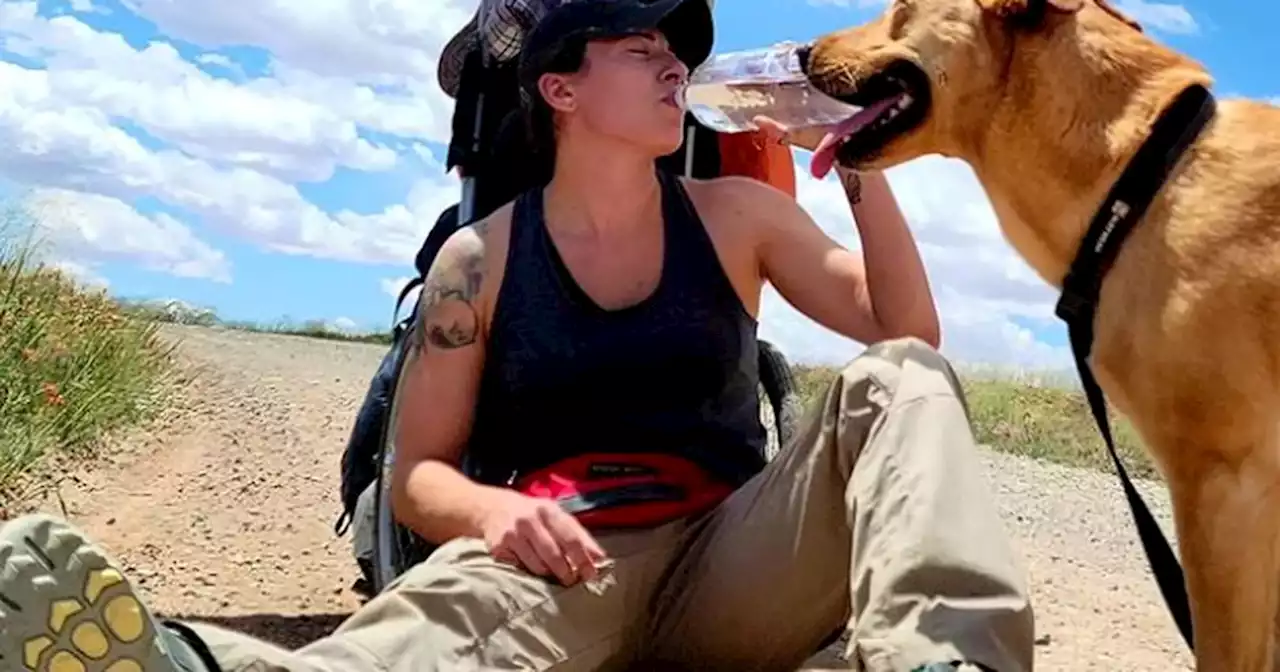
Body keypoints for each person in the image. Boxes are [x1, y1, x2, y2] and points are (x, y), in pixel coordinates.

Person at [0, 0, 1036, 670]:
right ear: (561, 89)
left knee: (895, 378)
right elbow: (418, 479)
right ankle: (189, 663)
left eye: (676, 49)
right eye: (640, 48)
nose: (674, 62)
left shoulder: (736, 218)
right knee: (449, 614)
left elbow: (909, 333)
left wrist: (857, 161)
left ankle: (948, 659)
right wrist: (495, 515)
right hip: (566, 555)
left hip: (733, 560)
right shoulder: (476, 262)